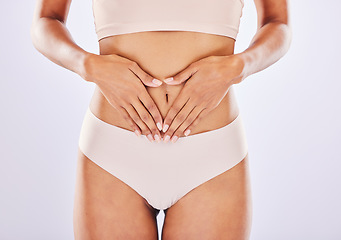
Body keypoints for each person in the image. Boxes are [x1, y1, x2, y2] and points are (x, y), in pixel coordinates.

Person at [30, 0, 291, 239]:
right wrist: (87, 65)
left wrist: (240, 66)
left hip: (213, 156)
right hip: (112, 153)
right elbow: (46, 21)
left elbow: (278, 22)